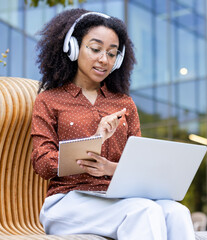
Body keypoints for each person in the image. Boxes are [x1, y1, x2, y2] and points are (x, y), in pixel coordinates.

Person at [31, 8, 196, 240]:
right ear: (73, 47)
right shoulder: (49, 100)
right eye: (95, 49)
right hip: (67, 202)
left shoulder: (124, 103)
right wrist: (95, 141)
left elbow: (137, 165)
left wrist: (109, 168)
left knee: (177, 211)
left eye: (111, 53)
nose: (103, 60)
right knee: (144, 210)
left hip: (117, 198)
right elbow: (42, 163)